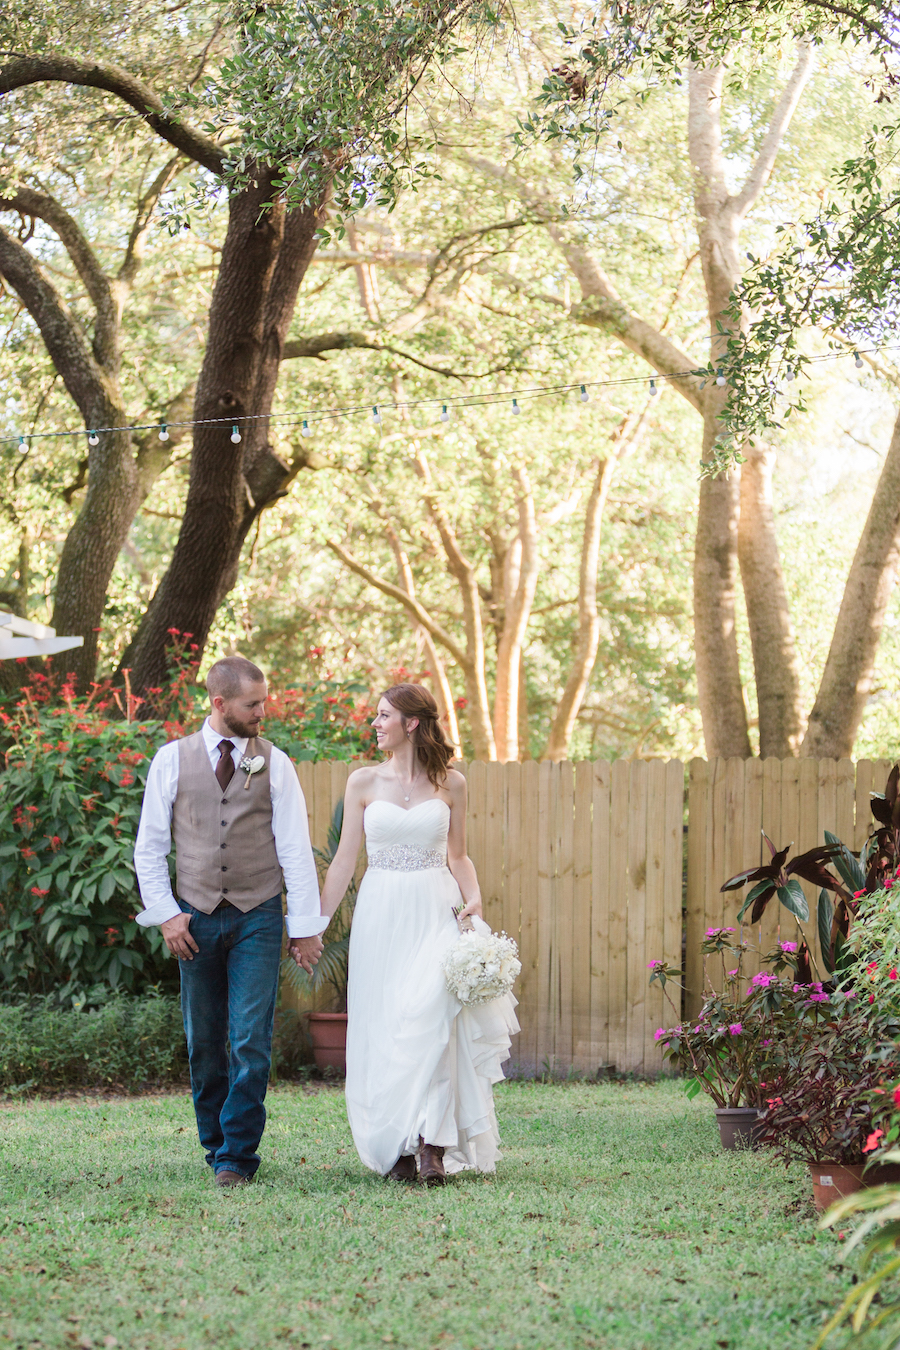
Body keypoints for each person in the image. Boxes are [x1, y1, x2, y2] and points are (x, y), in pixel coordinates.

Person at [133, 656, 326, 1187]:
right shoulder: (170, 761)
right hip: (192, 919)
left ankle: (237, 1156)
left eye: (263, 702)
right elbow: (148, 849)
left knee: (249, 1040)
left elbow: (294, 848)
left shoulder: (276, 763)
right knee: (204, 1039)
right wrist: (168, 916)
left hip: (258, 915)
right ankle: (214, 1145)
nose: (263, 712)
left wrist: (303, 926)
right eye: (253, 704)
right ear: (219, 705)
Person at [318, 682, 519, 1185]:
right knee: (388, 1026)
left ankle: (433, 1146)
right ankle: (399, 1148)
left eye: (384, 716)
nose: (376, 724)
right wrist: (313, 925)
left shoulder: (452, 783)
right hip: (381, 913)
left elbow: (458, 855)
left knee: (434, 1020)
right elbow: (345, 860)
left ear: (411, 723)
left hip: (436, 908)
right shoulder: (363, 782)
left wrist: (473, 900)